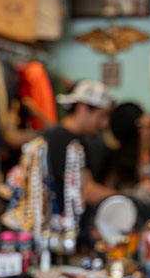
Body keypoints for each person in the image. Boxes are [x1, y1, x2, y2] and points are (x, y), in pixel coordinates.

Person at [40, 79, 116, 212]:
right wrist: (126, 198)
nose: (104, 123)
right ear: (83, 107)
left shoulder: (78, 139)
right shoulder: (60, 139)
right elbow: (85, 190)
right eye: (102, 116)